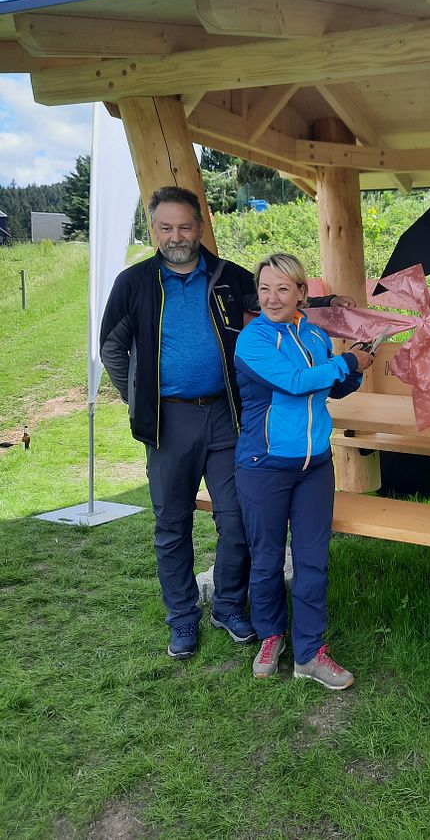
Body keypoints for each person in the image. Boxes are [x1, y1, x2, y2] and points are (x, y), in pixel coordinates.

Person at [100, 186, 354, 661]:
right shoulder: (133, 283)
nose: (176, 236)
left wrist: (349, 312)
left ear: (200, 226)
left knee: (236, 520)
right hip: (168, 420)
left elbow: (289, 304)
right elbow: (112, 348)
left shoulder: (228, 277)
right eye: (165, 227)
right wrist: (140, 399)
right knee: (172, 523)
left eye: (185, 226)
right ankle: (182, 619)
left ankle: (229, 604)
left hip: (224, 414)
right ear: (153, 229)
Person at [234, 252, 373, 689]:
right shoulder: (251, 340)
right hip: (265, 466)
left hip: (315, 466)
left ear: (301, 293)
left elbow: (325, 388)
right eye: (264, 289)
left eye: (282, 289)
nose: (271, 298)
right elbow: (295, 383)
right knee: (268, 560)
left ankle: (310, 653)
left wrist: (355, 370)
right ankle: (271, 637)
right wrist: (346, 363)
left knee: (313, 563)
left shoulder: (313, 336)